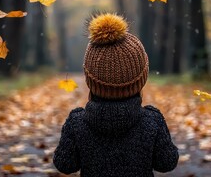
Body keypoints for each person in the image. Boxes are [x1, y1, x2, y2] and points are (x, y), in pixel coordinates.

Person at [53, 13, 179, 177]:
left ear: (90, 78)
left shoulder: (77, 122)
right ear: (141, 79)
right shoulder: (152, 121)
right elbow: (167, 163)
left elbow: (65, 164)